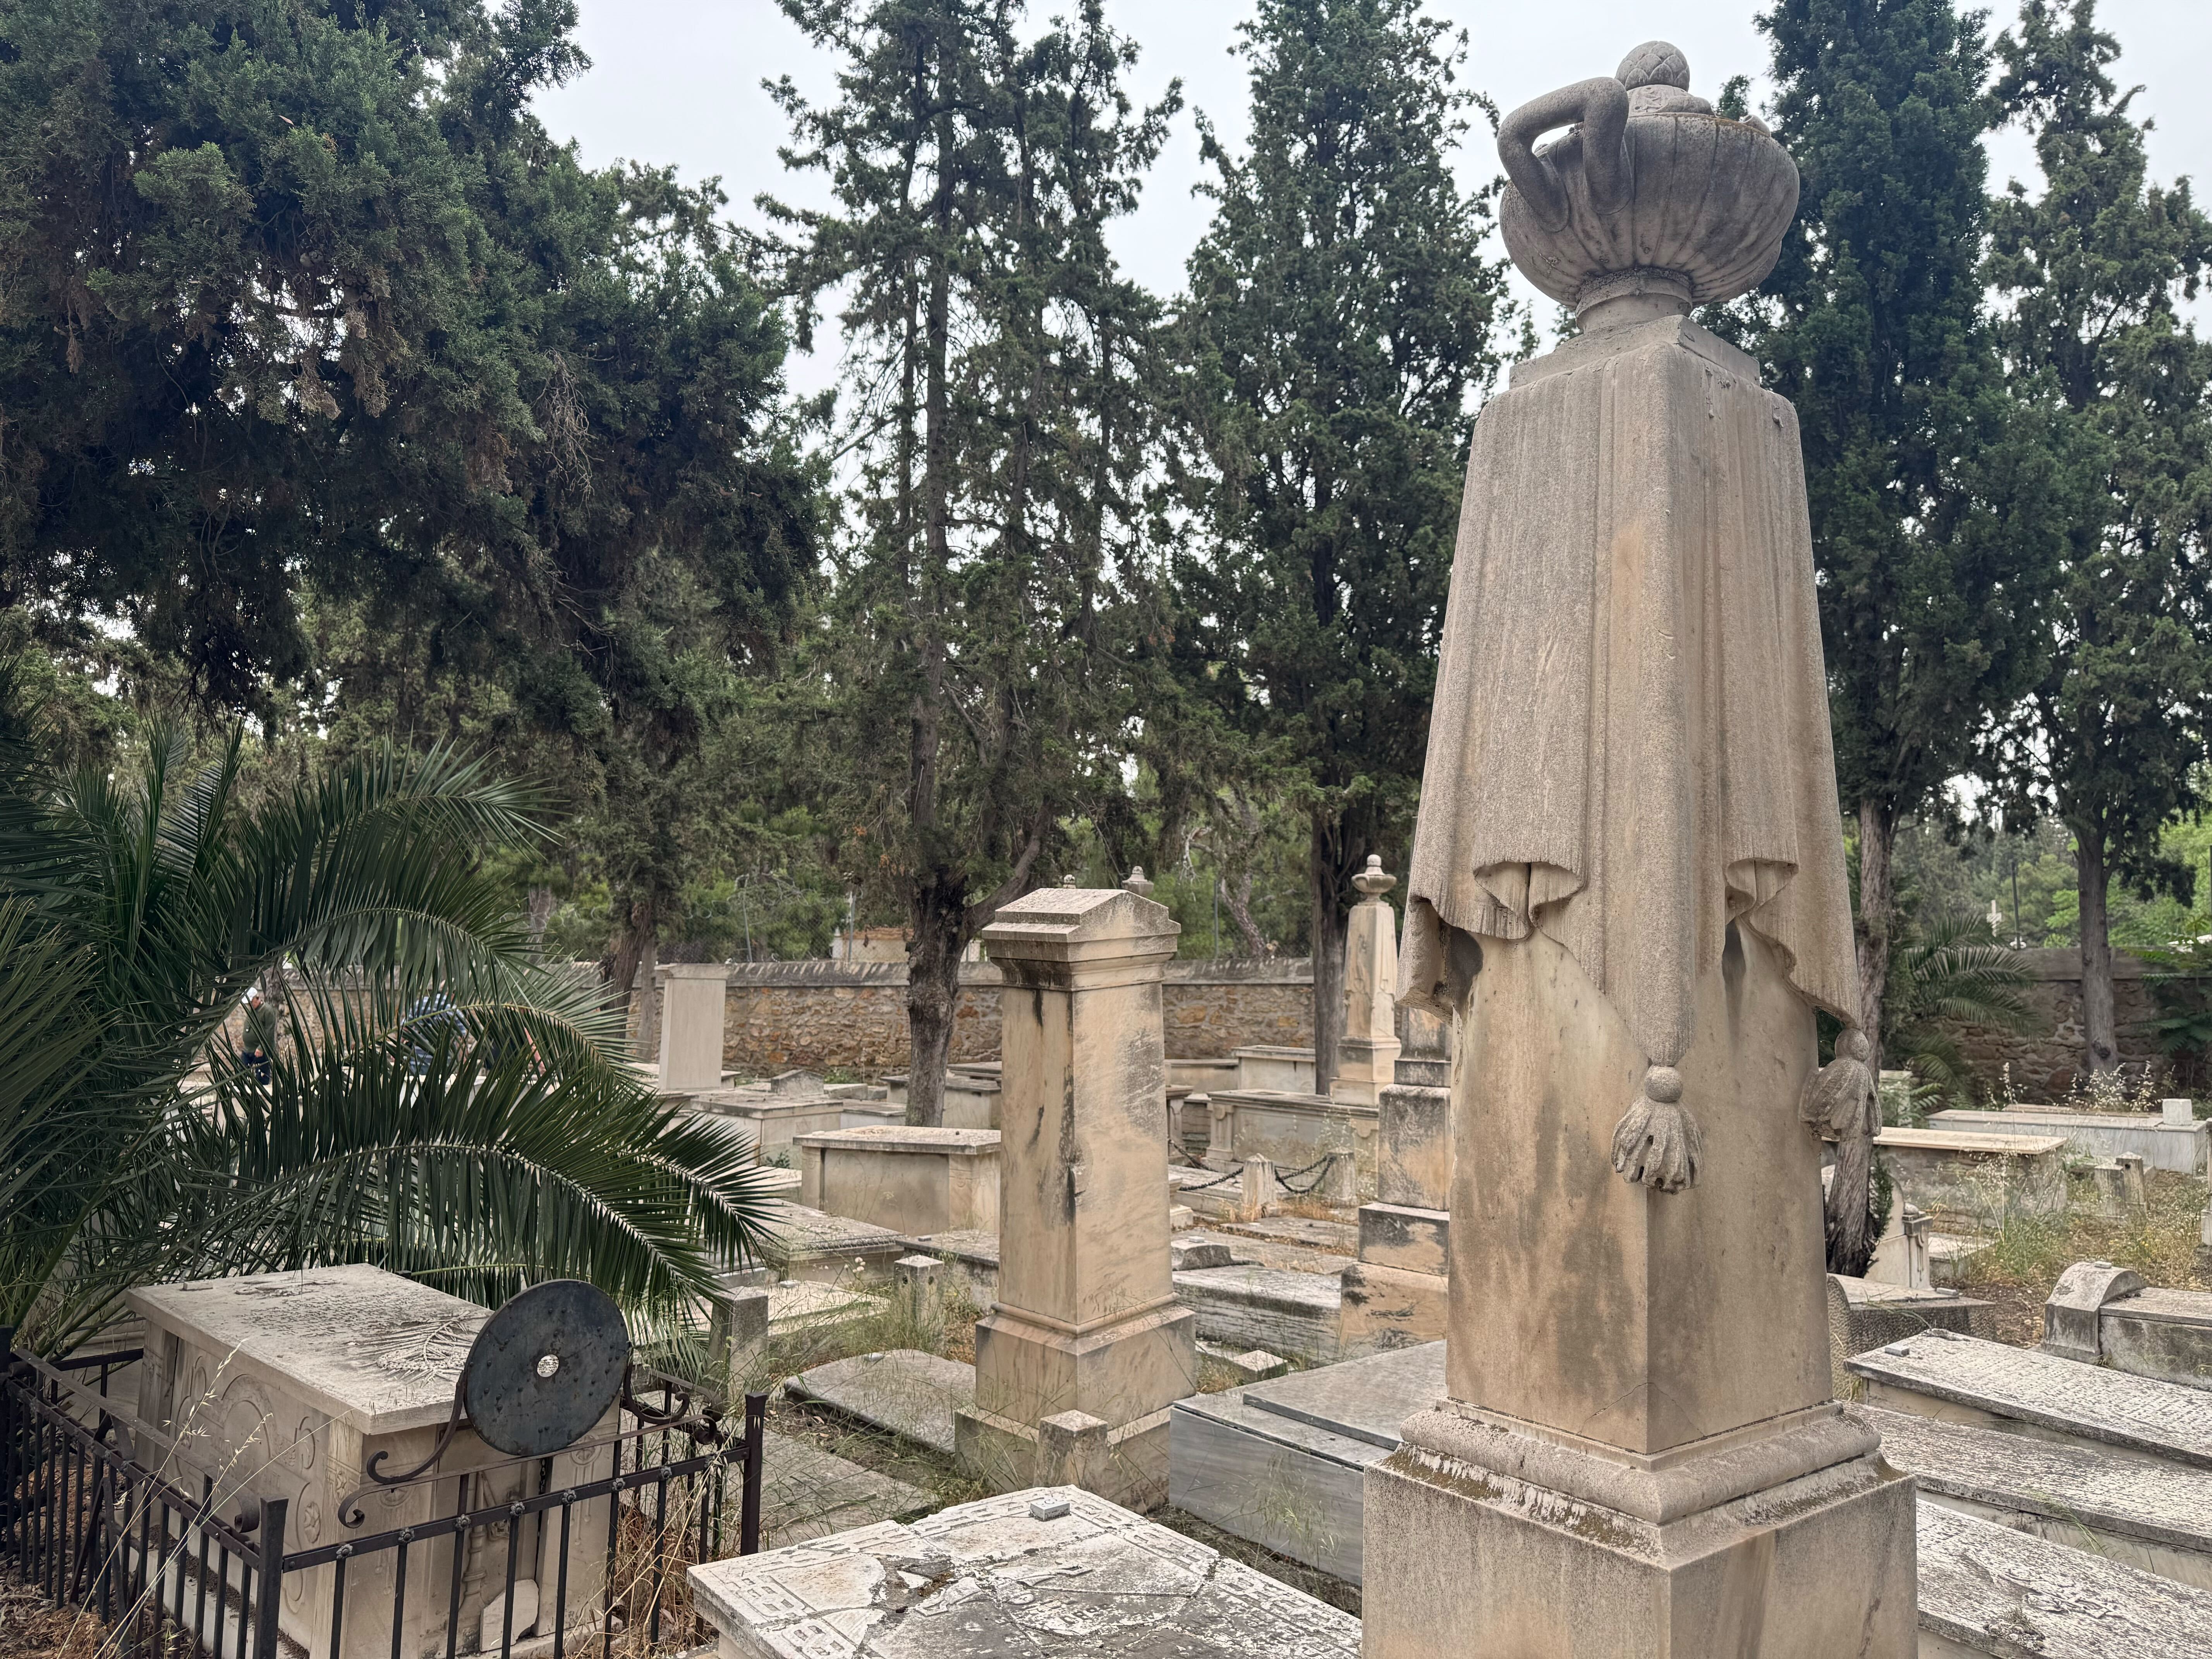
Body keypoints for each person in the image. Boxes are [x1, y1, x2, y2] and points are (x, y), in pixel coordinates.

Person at [243, 987, 277, 1084]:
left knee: (261, 1078)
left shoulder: (267, 1011)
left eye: (251, 1002)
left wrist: (262, 1048)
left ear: (257, 999)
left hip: (261, 1051)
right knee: (242, 1074)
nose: (250, 1005)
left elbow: (269, 1032)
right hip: (248, 1049)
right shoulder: (252, 1010)